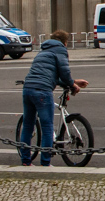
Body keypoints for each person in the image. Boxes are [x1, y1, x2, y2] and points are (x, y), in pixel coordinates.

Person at [20, 30, 89, 167]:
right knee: (47, 126)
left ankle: (26, 161)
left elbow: (50, 75)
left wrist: (73, 81)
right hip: (42, 91)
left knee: (28, 125)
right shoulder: (60, 50)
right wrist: (73, 85)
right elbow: (64, 72)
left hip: (28, 89)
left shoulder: (43, 51)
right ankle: (45, 163)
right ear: (64, 42)